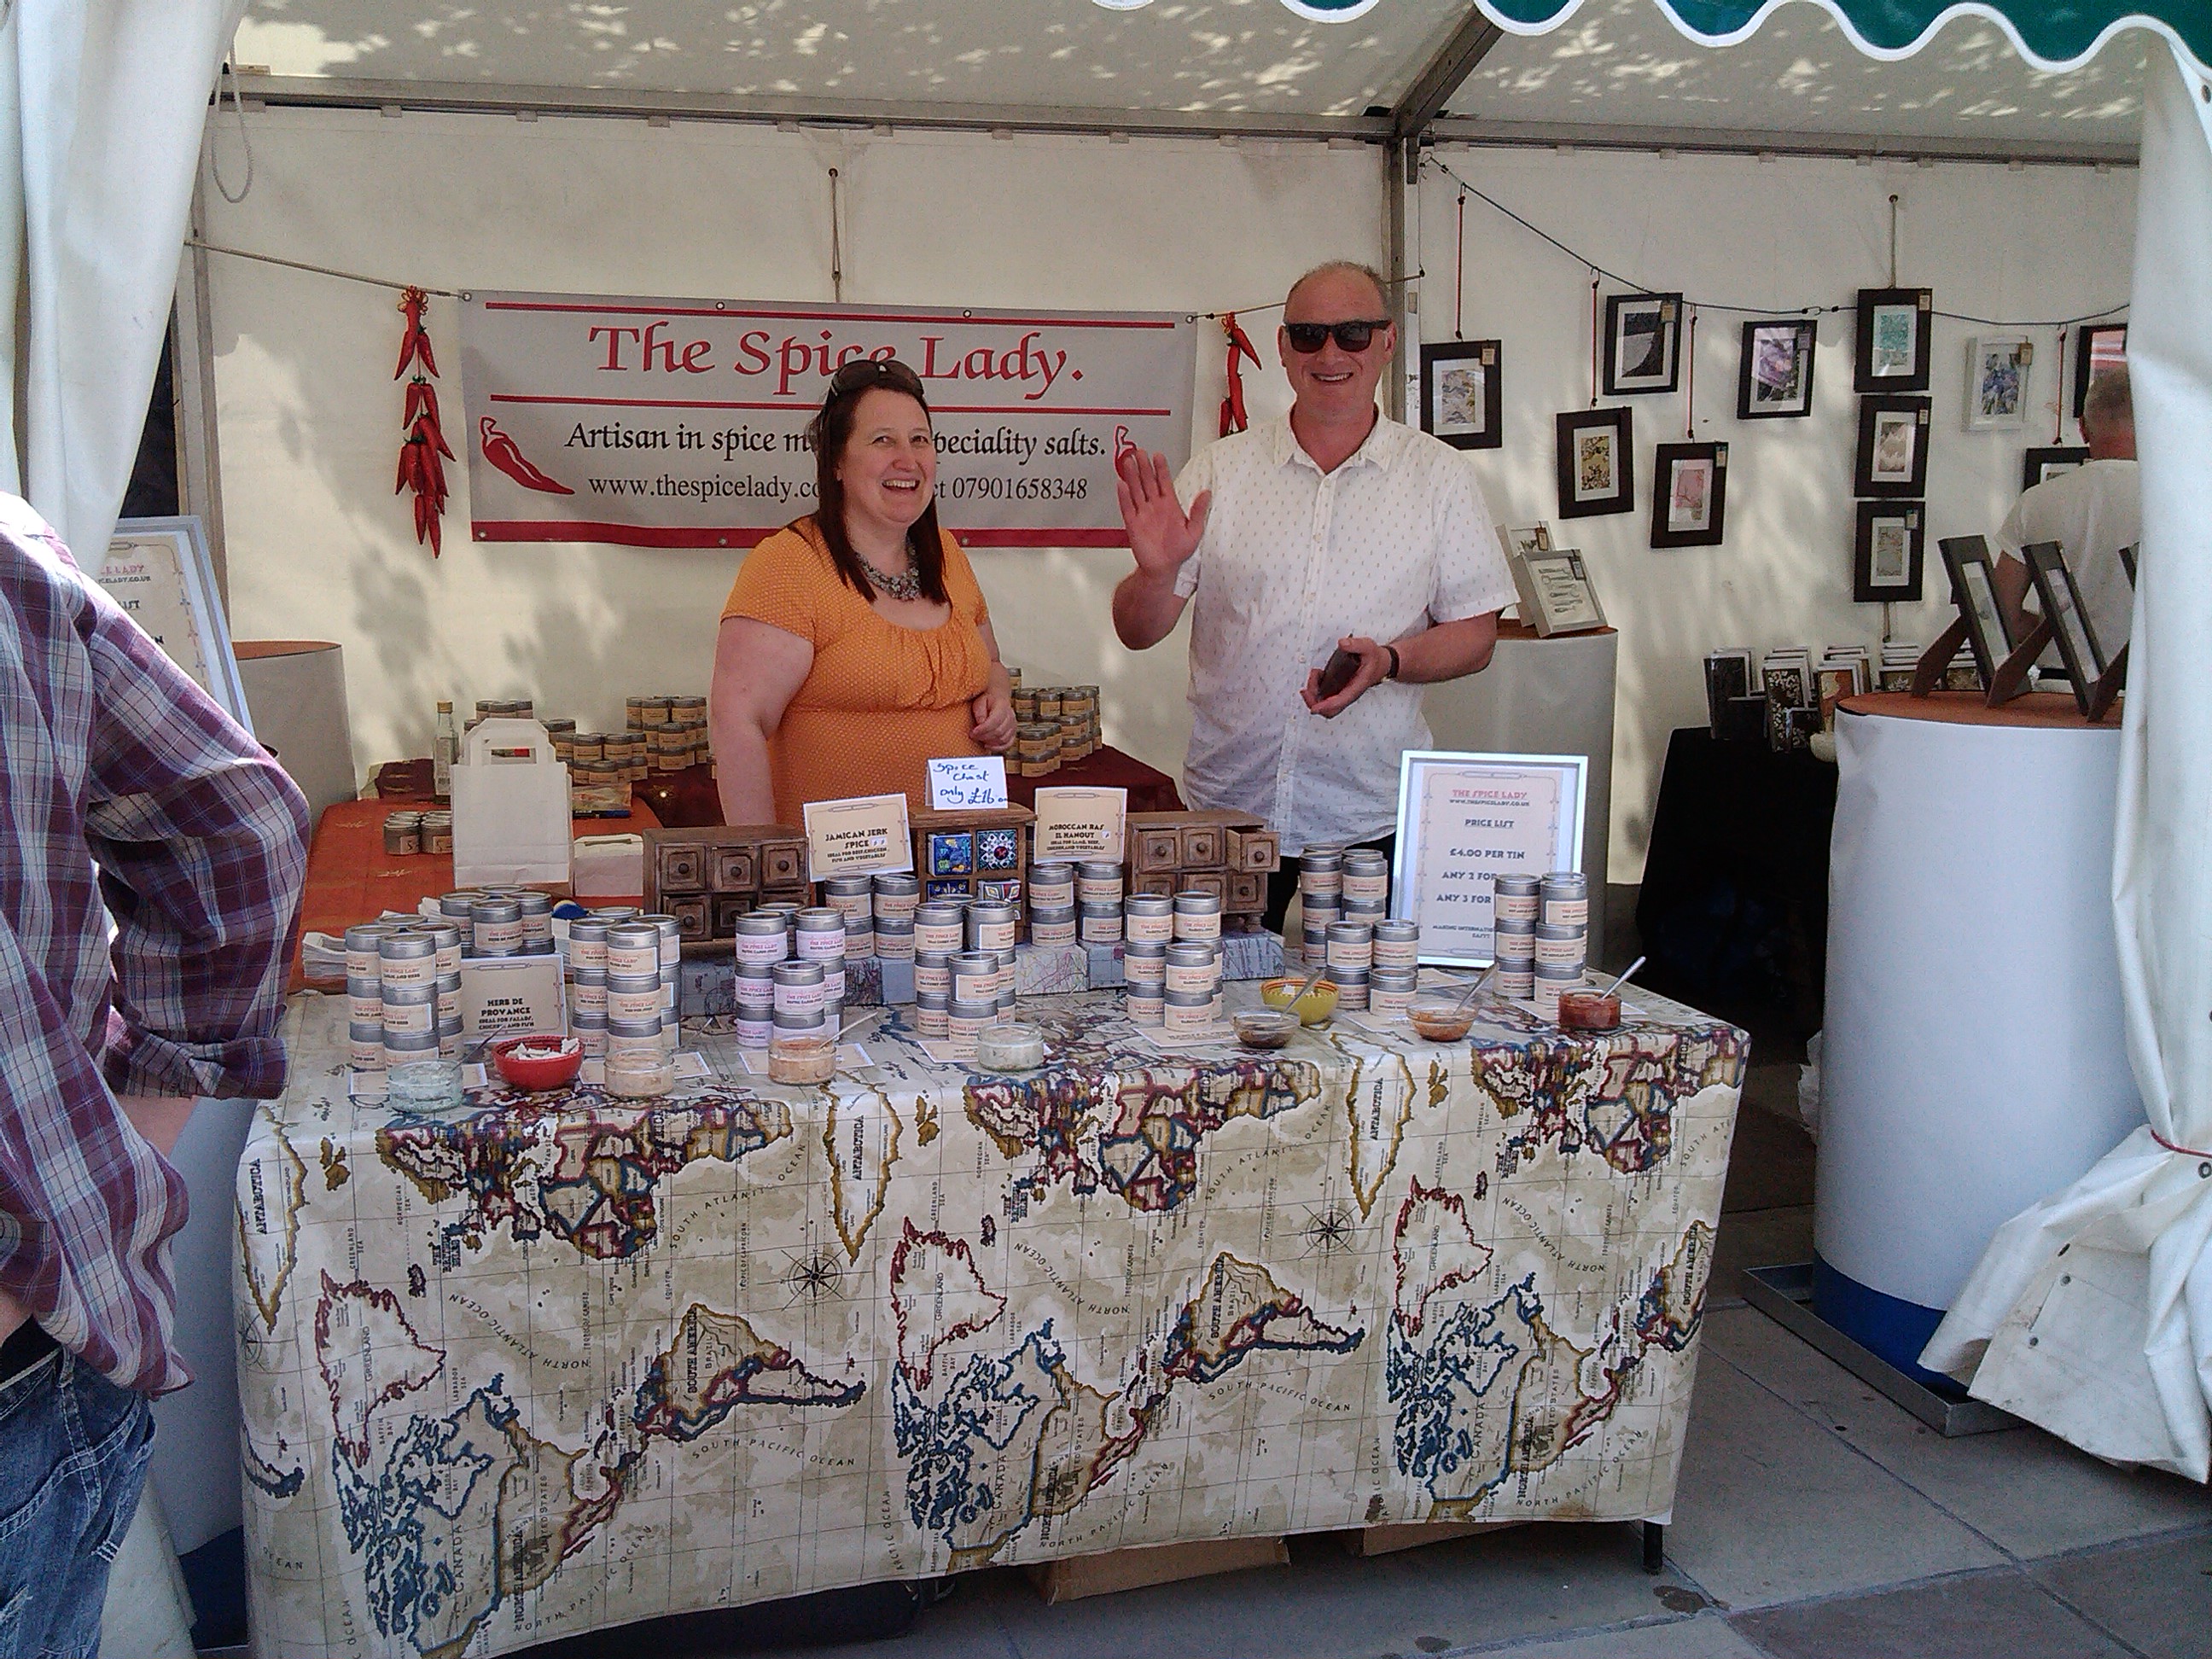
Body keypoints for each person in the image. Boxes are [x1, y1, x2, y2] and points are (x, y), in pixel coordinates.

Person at [0, 495, 310, 1659]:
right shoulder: (13, 554)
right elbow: (239, 823)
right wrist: (121, 1152)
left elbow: (239, 829)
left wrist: (123, 1147)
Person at [1111, 260, 1519, 928]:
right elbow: (1136, 631)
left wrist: (1389, 661)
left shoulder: (1440, 477)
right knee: (1211, 986)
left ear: (1387, 341)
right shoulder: (1219, 471)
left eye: (1352, 333)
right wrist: (1156, 573)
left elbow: (1477, 635)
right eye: (1308, 335)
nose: (1330, 354)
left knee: (1366, 990)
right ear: (1282, 347)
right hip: (1230, 808)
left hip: (1369, 813)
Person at [711, 358, 1017, 826]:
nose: (907, 460)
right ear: (836, 461)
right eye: (883, 440)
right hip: (839, 864)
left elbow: (991, 664)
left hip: (958, 857)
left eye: (920, 440)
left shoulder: (947, 555)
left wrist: (998, 702)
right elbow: (737, 723)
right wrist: (763, 856)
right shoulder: (789, 565)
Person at [1994, 366, 2139, 664]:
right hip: (2152, 686)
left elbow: (2001, 613)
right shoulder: (2189, 503)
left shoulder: (2036, 501)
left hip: (2060, 681)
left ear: (2083, 427)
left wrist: (2060, 633)